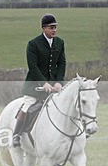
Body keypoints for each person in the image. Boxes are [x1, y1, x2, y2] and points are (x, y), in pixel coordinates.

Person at [11, 13, 66, 147]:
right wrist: (44, 83)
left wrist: (59, 82)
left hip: (54, 85)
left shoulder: (60, 42)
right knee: (28, 105)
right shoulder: (33, 44)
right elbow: (33, 67)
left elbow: (62, 63)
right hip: (34, 85)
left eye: (55, 27)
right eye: (51, 27)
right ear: (44, 28)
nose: (54, 30)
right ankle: (16, 135)